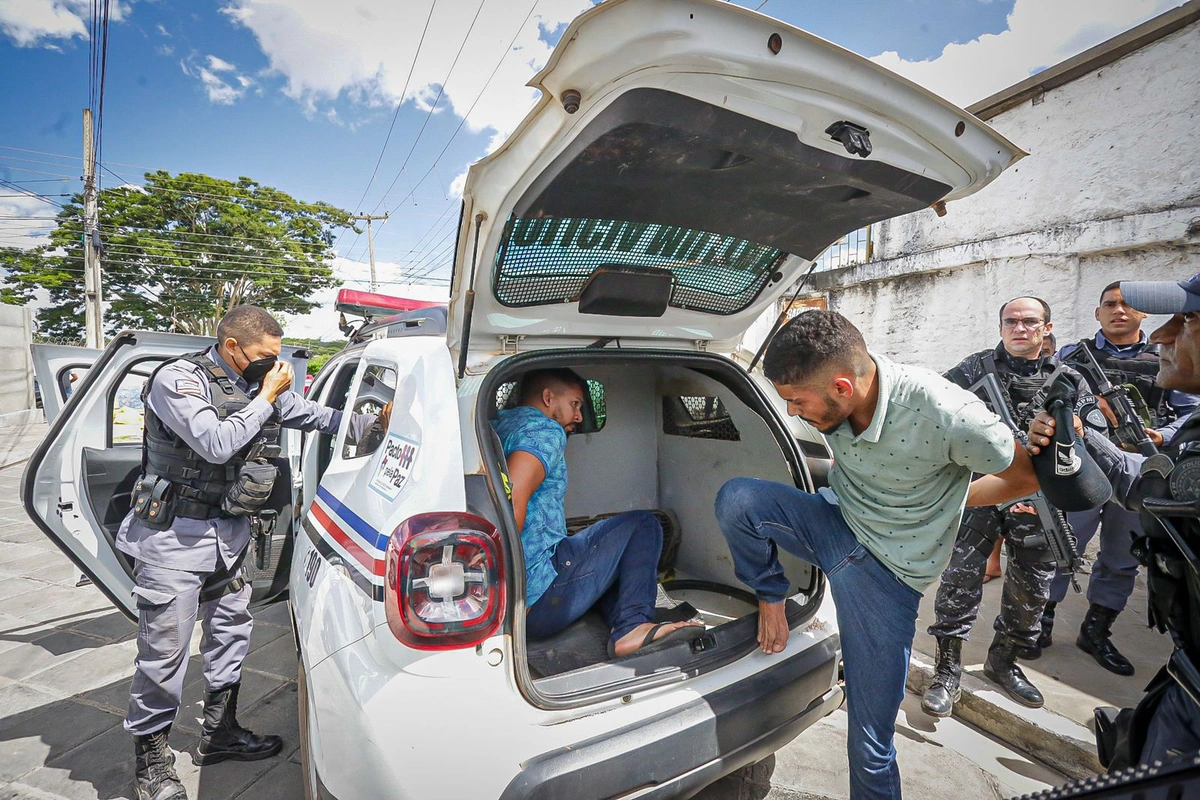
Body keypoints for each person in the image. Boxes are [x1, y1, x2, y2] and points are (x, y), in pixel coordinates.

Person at [715, 310, 1041, 799]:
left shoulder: (946, 414)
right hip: (834, 525)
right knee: (738, 498)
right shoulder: (840, 390)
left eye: (797, 402)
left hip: (889, 577)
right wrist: (770, 592)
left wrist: (945, 503)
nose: (793, 413)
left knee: (870, 740)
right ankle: (771, 596)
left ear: (843, 387)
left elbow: (1025, 476)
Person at [120, 305, 386, 800]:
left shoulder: (254, 385)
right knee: (164, 653)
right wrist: (266, 397)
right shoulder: (178, 380)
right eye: (264, 355)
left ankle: (220, 732)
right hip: (173, 538)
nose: (273, 364)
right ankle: (152, 762)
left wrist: (373, 424)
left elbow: (317, 417)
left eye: (276, 356)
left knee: (230, 634)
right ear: (232, 347)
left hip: (228, 536)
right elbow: (216, 443)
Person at [1029, 275, 1200, 767]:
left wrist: (1139, 437)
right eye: (1110, 305)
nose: (1167, 335)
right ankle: (1041, 621)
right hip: (1188, 673)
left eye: (1186, 320)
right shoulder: (1079, 357)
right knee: (1063, 548)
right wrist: (1077, 426)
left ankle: (1096, 628)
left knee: (1120, 559)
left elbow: (1146, 491)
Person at [922, 297, 1101, 715]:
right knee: (959, 581)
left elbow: (1092, 438)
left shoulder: (1070, 379)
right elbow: (933, 412)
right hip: (982, 493)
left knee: (1032, 591)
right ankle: (948, 671)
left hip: (1038, 503)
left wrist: (1076, 430)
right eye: (1011, 322)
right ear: (1001, 326)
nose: (1019, 328)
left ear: (1046, 327)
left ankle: (1003, 663)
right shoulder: (973, 370)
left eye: (1029, 322)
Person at [493, 368, 702, 658]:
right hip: (537, 597)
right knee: (644, 525)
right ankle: (631, 627)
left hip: (521, 602)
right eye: (575, 404)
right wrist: (514, 587)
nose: (578, 417)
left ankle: (625, 624)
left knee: (614, 557)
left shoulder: (500, 426)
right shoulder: (544, 431)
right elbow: (512, 499)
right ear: (547, 397)